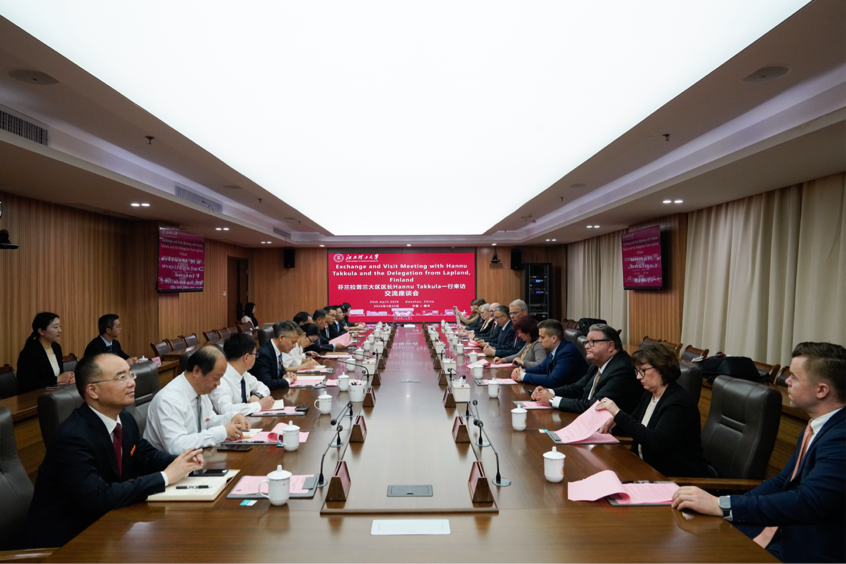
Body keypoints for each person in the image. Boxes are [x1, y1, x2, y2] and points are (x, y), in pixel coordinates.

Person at [672, 342, 846, 564]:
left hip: (808, 550)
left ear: (821, 390)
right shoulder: (817, 425)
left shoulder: (840, 438)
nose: (787, 382)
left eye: (794, 377)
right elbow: (783, 481)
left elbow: (808, 502)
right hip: (783, 531)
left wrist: (722, 506)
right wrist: (725, 505)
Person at [24, 353, 203, 548]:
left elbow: (145, 456)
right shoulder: (72, 438)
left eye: (130, 375)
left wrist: (183, 461)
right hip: (66, 542)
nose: (132, 383)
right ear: (93, 390)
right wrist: (165, 477)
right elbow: (99, 497)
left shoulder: (124, 419)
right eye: (121, 378)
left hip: (108, 526)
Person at [596, 343, 710, 478]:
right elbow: (634, 425)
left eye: (643, 370)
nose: (638, 377)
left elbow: (657, 442)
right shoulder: (649, 395)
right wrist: (615, 422)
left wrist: (618, 413)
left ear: (662, 368)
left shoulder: (679, 402)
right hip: (644, 467)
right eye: (637, 371)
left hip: (675, 477)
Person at [144, 346, 250, 454]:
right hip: (170, 462)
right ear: (196, 371)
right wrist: (220, 433)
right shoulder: (169, 400)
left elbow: (208, 421)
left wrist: (231, 417)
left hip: (197, 457)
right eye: (216, 378)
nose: (218, 384)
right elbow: (176, 447)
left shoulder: (200, 390)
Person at [531, 323, 641, 414]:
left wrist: (552, 400)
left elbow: (594, 406)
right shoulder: (598, 364)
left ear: (610, 346)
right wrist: (548, 392)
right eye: (587, 342)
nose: (586, 346)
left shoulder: (622, 370)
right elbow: (578, 388)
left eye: (592, 342)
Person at [209, 333, 274, 416]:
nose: (256, 357)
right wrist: (258, 405)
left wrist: (257, 396)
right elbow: (226, 410)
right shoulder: (220, 378)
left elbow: (264, 387)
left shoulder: (244, 374)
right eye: (255, 354)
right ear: (246, 357)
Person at [511, 319, 586, 387]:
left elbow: (552, 380)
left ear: (553, 339)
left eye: (542, 337)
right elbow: (541, 368)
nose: (539, 340)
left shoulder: (567, 353)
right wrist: (521, 371)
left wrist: (524, 376)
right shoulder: (555, 348)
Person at [16, 312, 75, 394]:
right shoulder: (28, 353)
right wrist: (57, 379)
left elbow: (59, 375)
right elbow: (26, 385)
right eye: (55, 327)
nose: (60, 330)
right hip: (35, 397)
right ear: (41, 331)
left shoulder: (56, 348)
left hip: (55, 394)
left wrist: (68, 378)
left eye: (60, 326)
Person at [252, 321, 300, 390]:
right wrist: (287, 380)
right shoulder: (263, 355)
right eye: (293, 342)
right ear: (281, 338)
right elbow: (266, 383)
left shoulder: (278, 350)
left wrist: (286, 375)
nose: (294, 346)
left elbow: (280, 370)